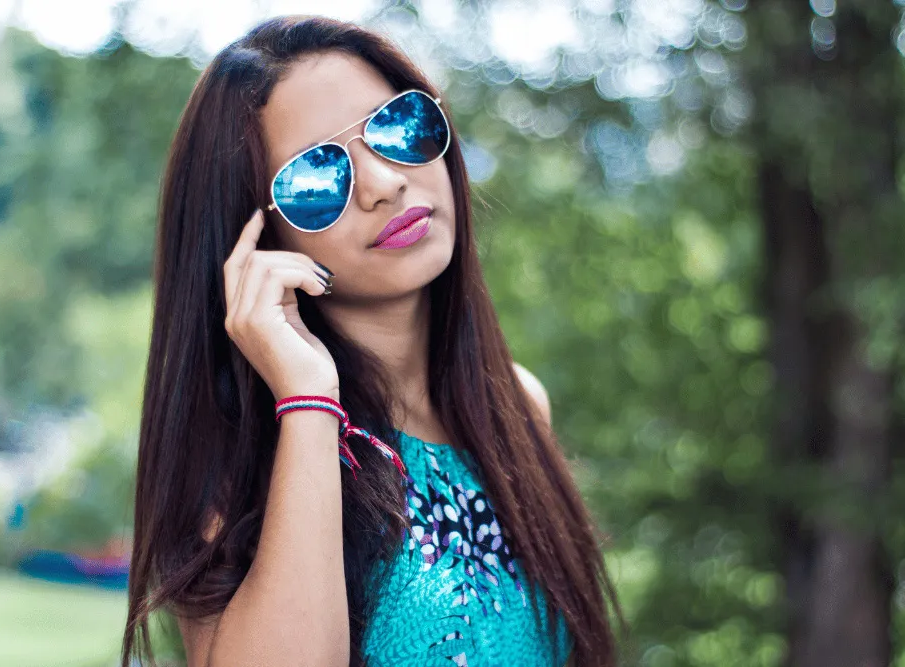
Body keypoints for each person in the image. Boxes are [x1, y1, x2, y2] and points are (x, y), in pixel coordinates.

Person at [121, 15, 622, 667]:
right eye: (316, 176)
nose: (385, 183)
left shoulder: (517, 406)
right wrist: (308, 400)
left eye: (398, 126)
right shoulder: (236, 451)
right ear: (257, 236)